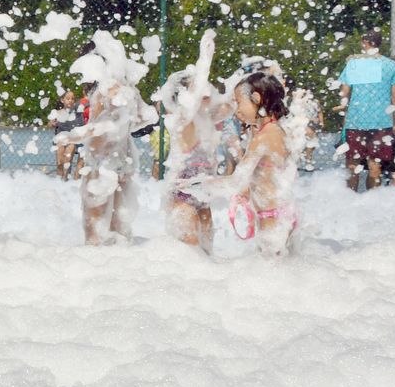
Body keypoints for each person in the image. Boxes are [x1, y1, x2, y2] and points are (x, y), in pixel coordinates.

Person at [57, 35, 156, 246]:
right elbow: (146, 117)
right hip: (123, 163)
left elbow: (98, 127)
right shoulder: (128, 89)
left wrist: (71, 136)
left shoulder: (103, 91)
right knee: (120, 233)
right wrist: (122, 127)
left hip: (100, 165)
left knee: (94, 236)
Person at [156, 31, 228, 253]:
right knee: (190, 259)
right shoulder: (181, 120)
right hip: (182, 194)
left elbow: (233, 104)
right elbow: (193, 102)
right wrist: (204, 62)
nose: (206, 91)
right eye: (199, 87)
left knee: (206, 255)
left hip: (202, 194)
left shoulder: (207, 119)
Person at [230, 71, 297, 256]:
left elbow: (235, 180)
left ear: (257, 98)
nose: (236, 110)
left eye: (238, 102)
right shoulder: (270, 130)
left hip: (273, 218)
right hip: (279, 214)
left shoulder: (267, 136)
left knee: (272, 273)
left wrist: (199, 186)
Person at [336, 31, 395, 192]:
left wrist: (342, 105)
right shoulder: (390, 65)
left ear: (365, 42)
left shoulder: (354, 64)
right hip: (381, 122)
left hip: (356, 120)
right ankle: (372, 203)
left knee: (352, 166)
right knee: (375, 166)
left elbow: (344, 93)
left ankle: (350, 201)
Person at [50, 90, 83, 180]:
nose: (70, 100)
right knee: (60, 162)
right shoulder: (58, 112)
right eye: (68, 98)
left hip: (71, 140)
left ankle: (66, 179)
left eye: (72, 99)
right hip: (60, 139)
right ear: (62, 100)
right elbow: (49, 124)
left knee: (67, 161)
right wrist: (52, 123)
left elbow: (81, 125)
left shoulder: (77, 114)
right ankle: (59, 180)